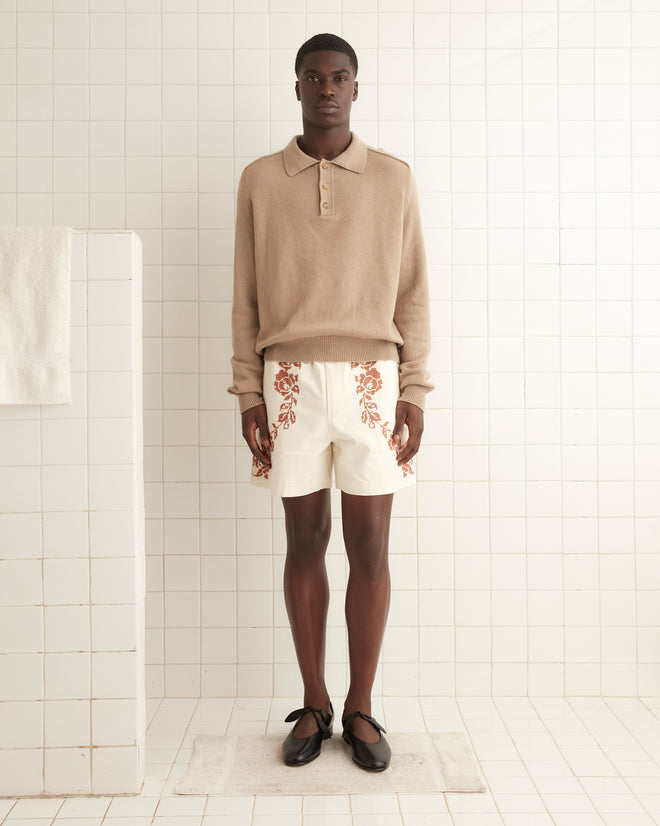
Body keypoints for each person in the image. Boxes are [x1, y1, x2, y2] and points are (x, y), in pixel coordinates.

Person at [229, 33, 432, 772]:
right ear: (296, 88)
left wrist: (414, 389)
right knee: (305, 542)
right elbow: (245, 295)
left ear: (355, 88)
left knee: (371, 547)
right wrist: (248, 389)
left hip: (373, 379)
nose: (326, 88)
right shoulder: (259, 180)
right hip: (288, 381)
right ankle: (314, 704)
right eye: (313, 77)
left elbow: (412, 292)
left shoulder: (393, 179)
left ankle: (362, 707)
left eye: (339, 77)